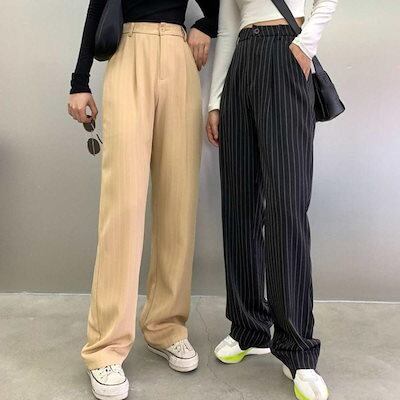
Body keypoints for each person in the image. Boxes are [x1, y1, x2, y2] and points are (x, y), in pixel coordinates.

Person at [67, 1, 218, 399]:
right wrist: (79, 81)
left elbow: (221, 5)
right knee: (123, 206)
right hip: (129, 51)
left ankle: (166, 326)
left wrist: (206, 24)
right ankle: (105, 348)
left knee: (178, 202)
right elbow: (97, 9)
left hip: (178, 55)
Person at [206, 1, 338, 399]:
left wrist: (305, 44)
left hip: (286, 51)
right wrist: (216, 100)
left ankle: (297, 349)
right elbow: (227, 30)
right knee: (239, 206)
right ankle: (248, 328)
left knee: (286, 206)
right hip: (242, 62)